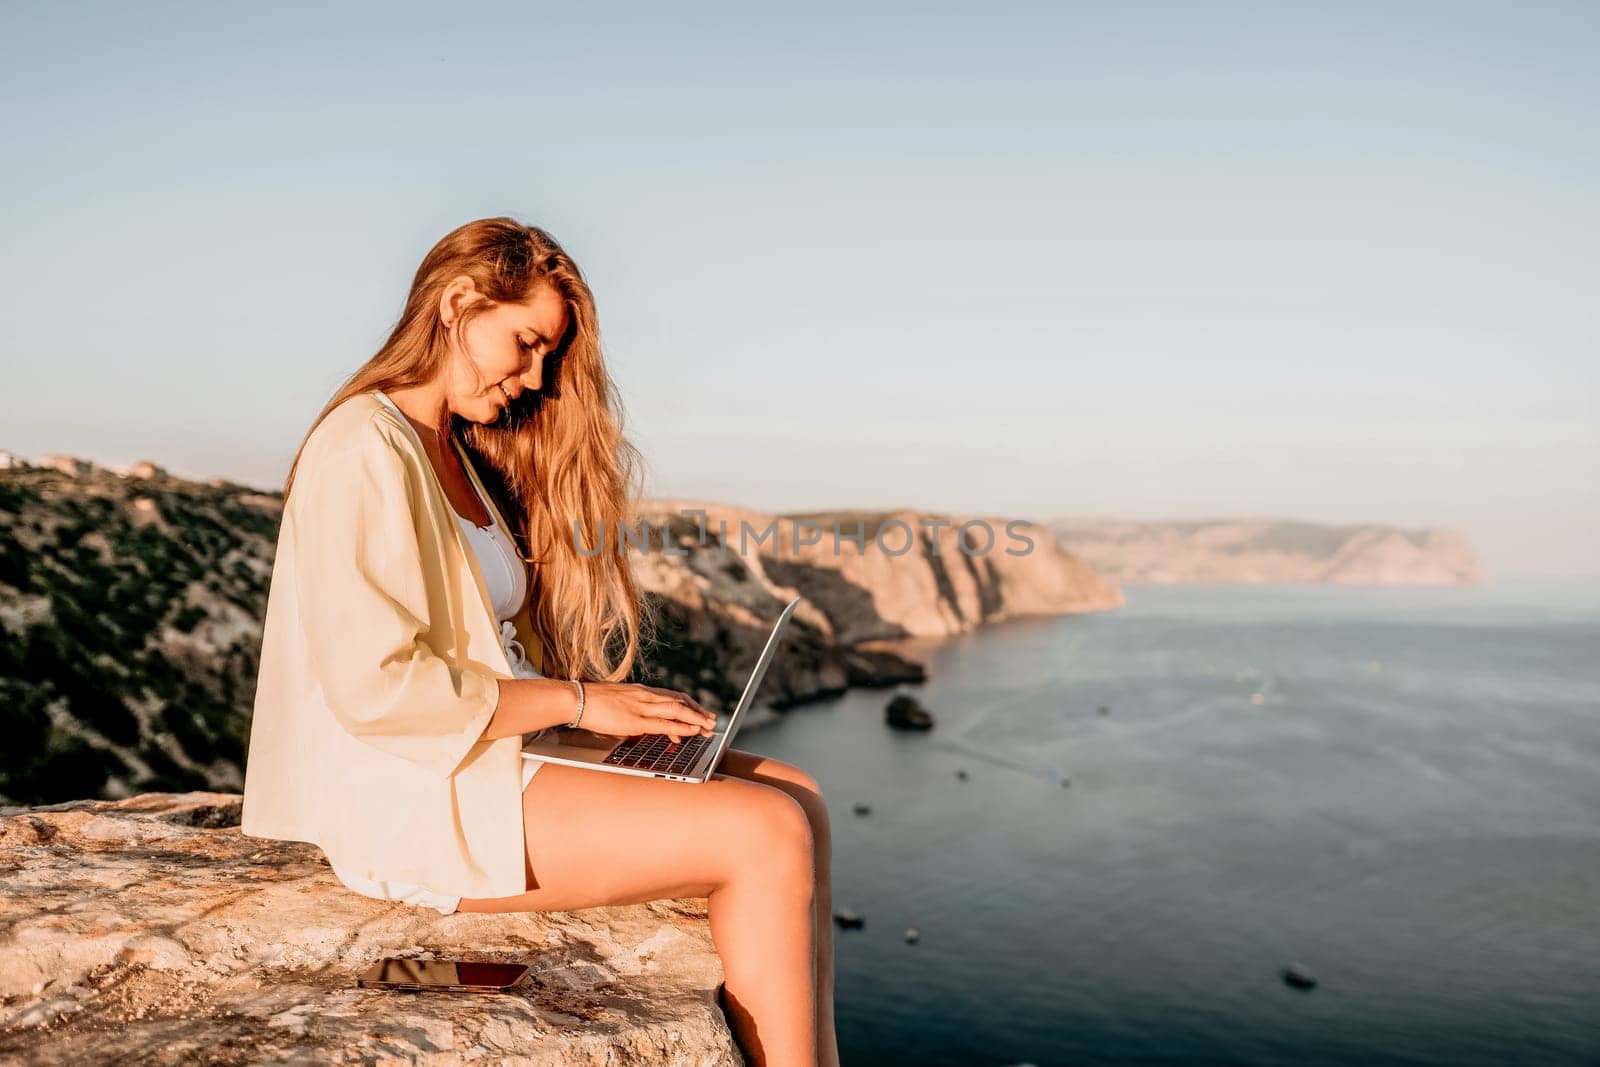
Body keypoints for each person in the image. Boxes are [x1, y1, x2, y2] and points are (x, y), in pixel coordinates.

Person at [240, 216, 838, 1067]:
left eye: (546, 357)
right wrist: (582, 702)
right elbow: (379, 689)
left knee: (801, 797)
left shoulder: (455, 450)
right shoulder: (361, 446)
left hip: (495, 754)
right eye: (524, 343)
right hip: (415, 793)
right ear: (456, 304)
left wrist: (587, 718)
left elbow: (488, 655)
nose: (532, 376)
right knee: (763, 833)